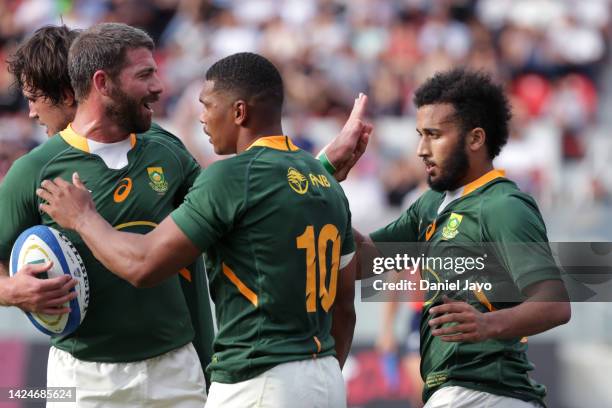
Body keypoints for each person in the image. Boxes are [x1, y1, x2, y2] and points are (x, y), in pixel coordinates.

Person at [38, 52, 370, 408]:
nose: (202, 117)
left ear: (239, 112)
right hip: (326, 382)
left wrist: (83, 217)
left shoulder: (229, 177)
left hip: (257, 379)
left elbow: (143, 264)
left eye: (207, 104)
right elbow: (345, 308)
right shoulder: (326, 182)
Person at [0, 23, 217, 407]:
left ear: (74, 91)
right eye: (145, 74)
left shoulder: (166, 151)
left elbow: (227, 215)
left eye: (35, 97)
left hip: (177, 369)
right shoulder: (33, 171)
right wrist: (12, 290)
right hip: (83, 377)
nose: (30, 111)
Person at [356, 69, 570, 407]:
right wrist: (325, 182)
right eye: (419, 135)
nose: (420, 150)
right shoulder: (430, 204)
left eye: (433, 135)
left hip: (488, 393)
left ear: (475, 139)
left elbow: (555, 304)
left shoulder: (503, 206)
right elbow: (364, 259)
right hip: (455, 392)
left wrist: (487, 324)